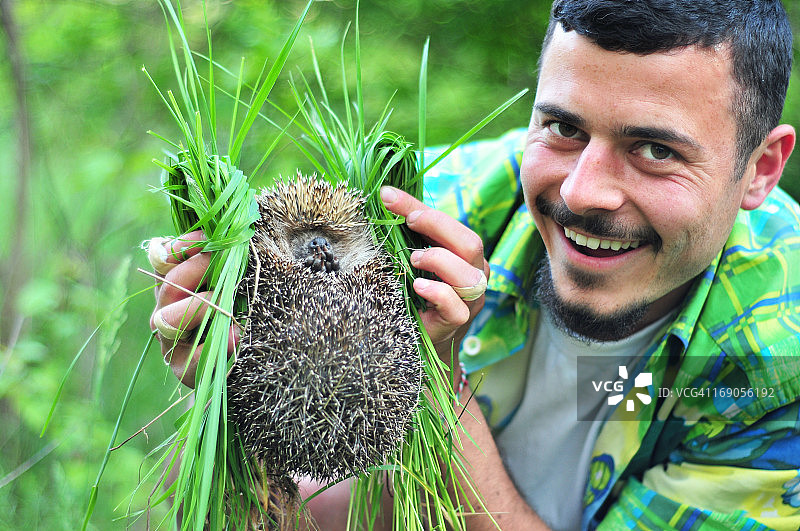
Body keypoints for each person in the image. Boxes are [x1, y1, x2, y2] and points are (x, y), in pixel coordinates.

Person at [148, 0, 800, 529]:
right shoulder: (435, 209)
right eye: (564, 129)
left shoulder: (781, 362)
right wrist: (231, 390)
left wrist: (436, 373)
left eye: (654, 149)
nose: (579, 192)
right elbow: (295, 494)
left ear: (761, 168)